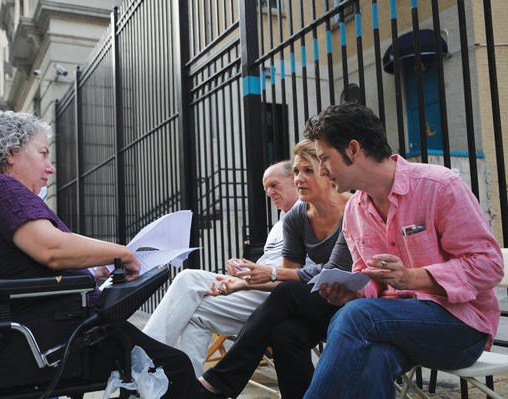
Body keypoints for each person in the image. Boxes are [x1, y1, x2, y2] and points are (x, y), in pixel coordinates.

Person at [0, 110, 200, 398]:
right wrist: (123, 254)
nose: (50, 167)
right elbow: (52, 250)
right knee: (175, 367)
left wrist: (95, 269)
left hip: (50, 325)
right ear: (11, 152)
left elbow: (25, 263)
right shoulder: (2, 188)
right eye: (43, 154)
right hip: (64, 333)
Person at [303, 102, 504, 399]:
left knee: (359, 317)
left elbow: (489, 266)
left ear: (353, 149)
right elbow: (367, 275)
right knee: (372, 356)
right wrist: (356, 291)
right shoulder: (355, 211)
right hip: (392, 325)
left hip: (461, 327)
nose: (321, 170)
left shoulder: (440, 186)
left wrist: (412, 278)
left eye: (324, 159)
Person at [198, 139, 353, 399]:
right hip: (322, 301)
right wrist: (246, 281)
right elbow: (290, 276)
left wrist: (269, 274)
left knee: (286, 294)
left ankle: (216, 384)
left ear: (326, 173)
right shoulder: (295, 217)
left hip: (355, 300)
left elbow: (335, 269)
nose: (298, 178)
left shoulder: (354, 208)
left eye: (308, 170)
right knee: (284, 332)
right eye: (295, 171)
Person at [143, 161, 304, 376]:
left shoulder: (308, 214)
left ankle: (140, 362)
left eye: (274, 185)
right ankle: (191, 390)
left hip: (281, 297)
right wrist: (241, 269)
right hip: (256, 290)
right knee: (194, 314)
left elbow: (297, 273)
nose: (269, 193)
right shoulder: (278, 225)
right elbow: (266, 267)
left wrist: (248, 279)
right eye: (266, 189)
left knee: (188, 279)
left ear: (294, 179)